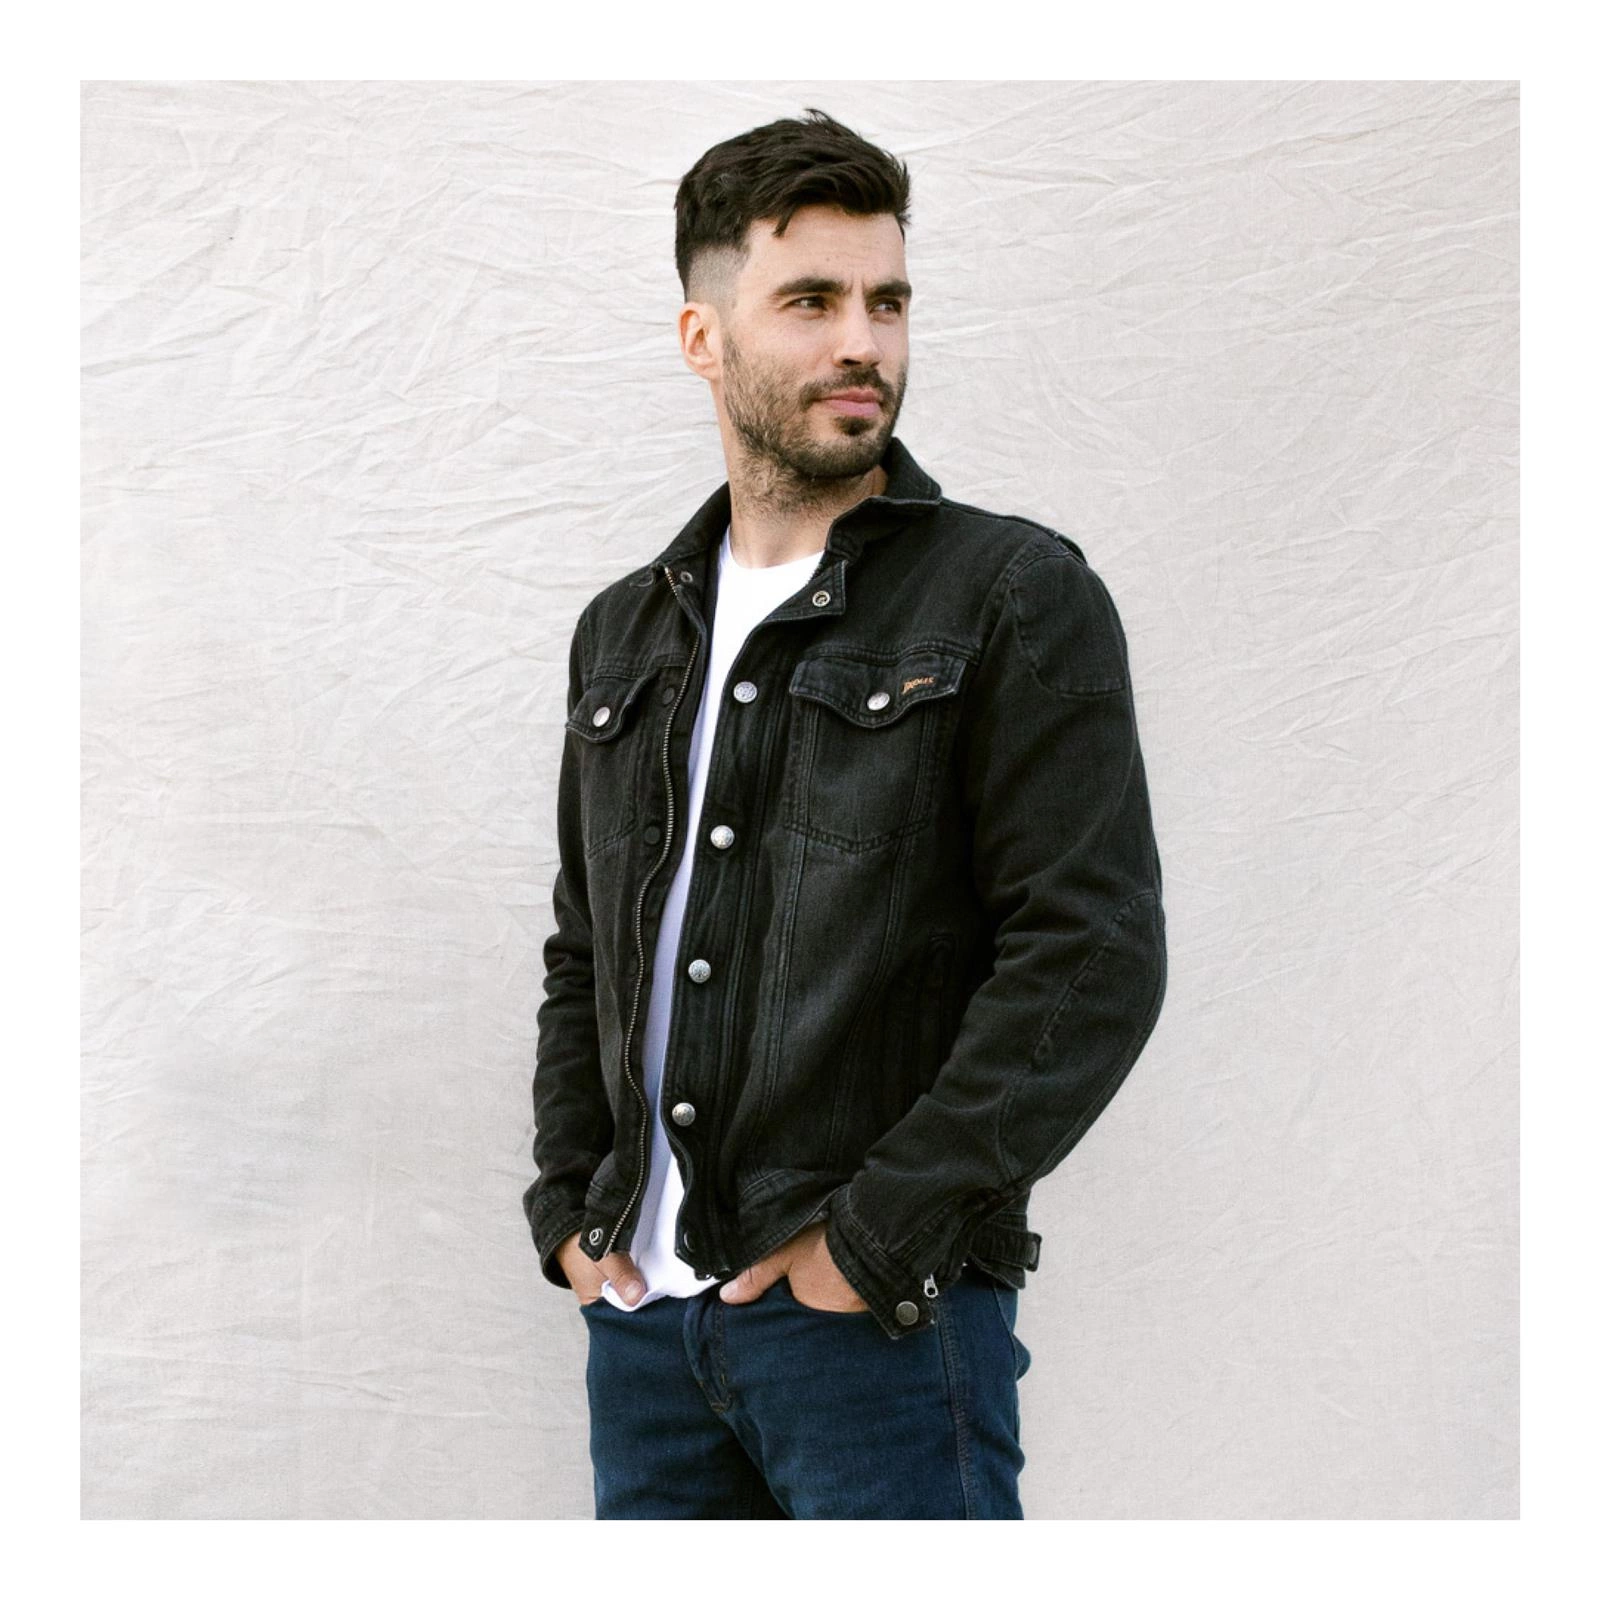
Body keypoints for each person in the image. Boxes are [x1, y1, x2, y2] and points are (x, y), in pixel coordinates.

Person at [521, 107, 1167, 1520]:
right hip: (645, 1332)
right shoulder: (623, 635)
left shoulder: (1009, 594)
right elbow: (588, 952)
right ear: (703, 337)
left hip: (877, 1335)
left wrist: (873, 1241)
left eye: (888, 301)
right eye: (810, 301)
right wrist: (571, 1203)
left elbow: (1092, 956)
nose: (863, 342)